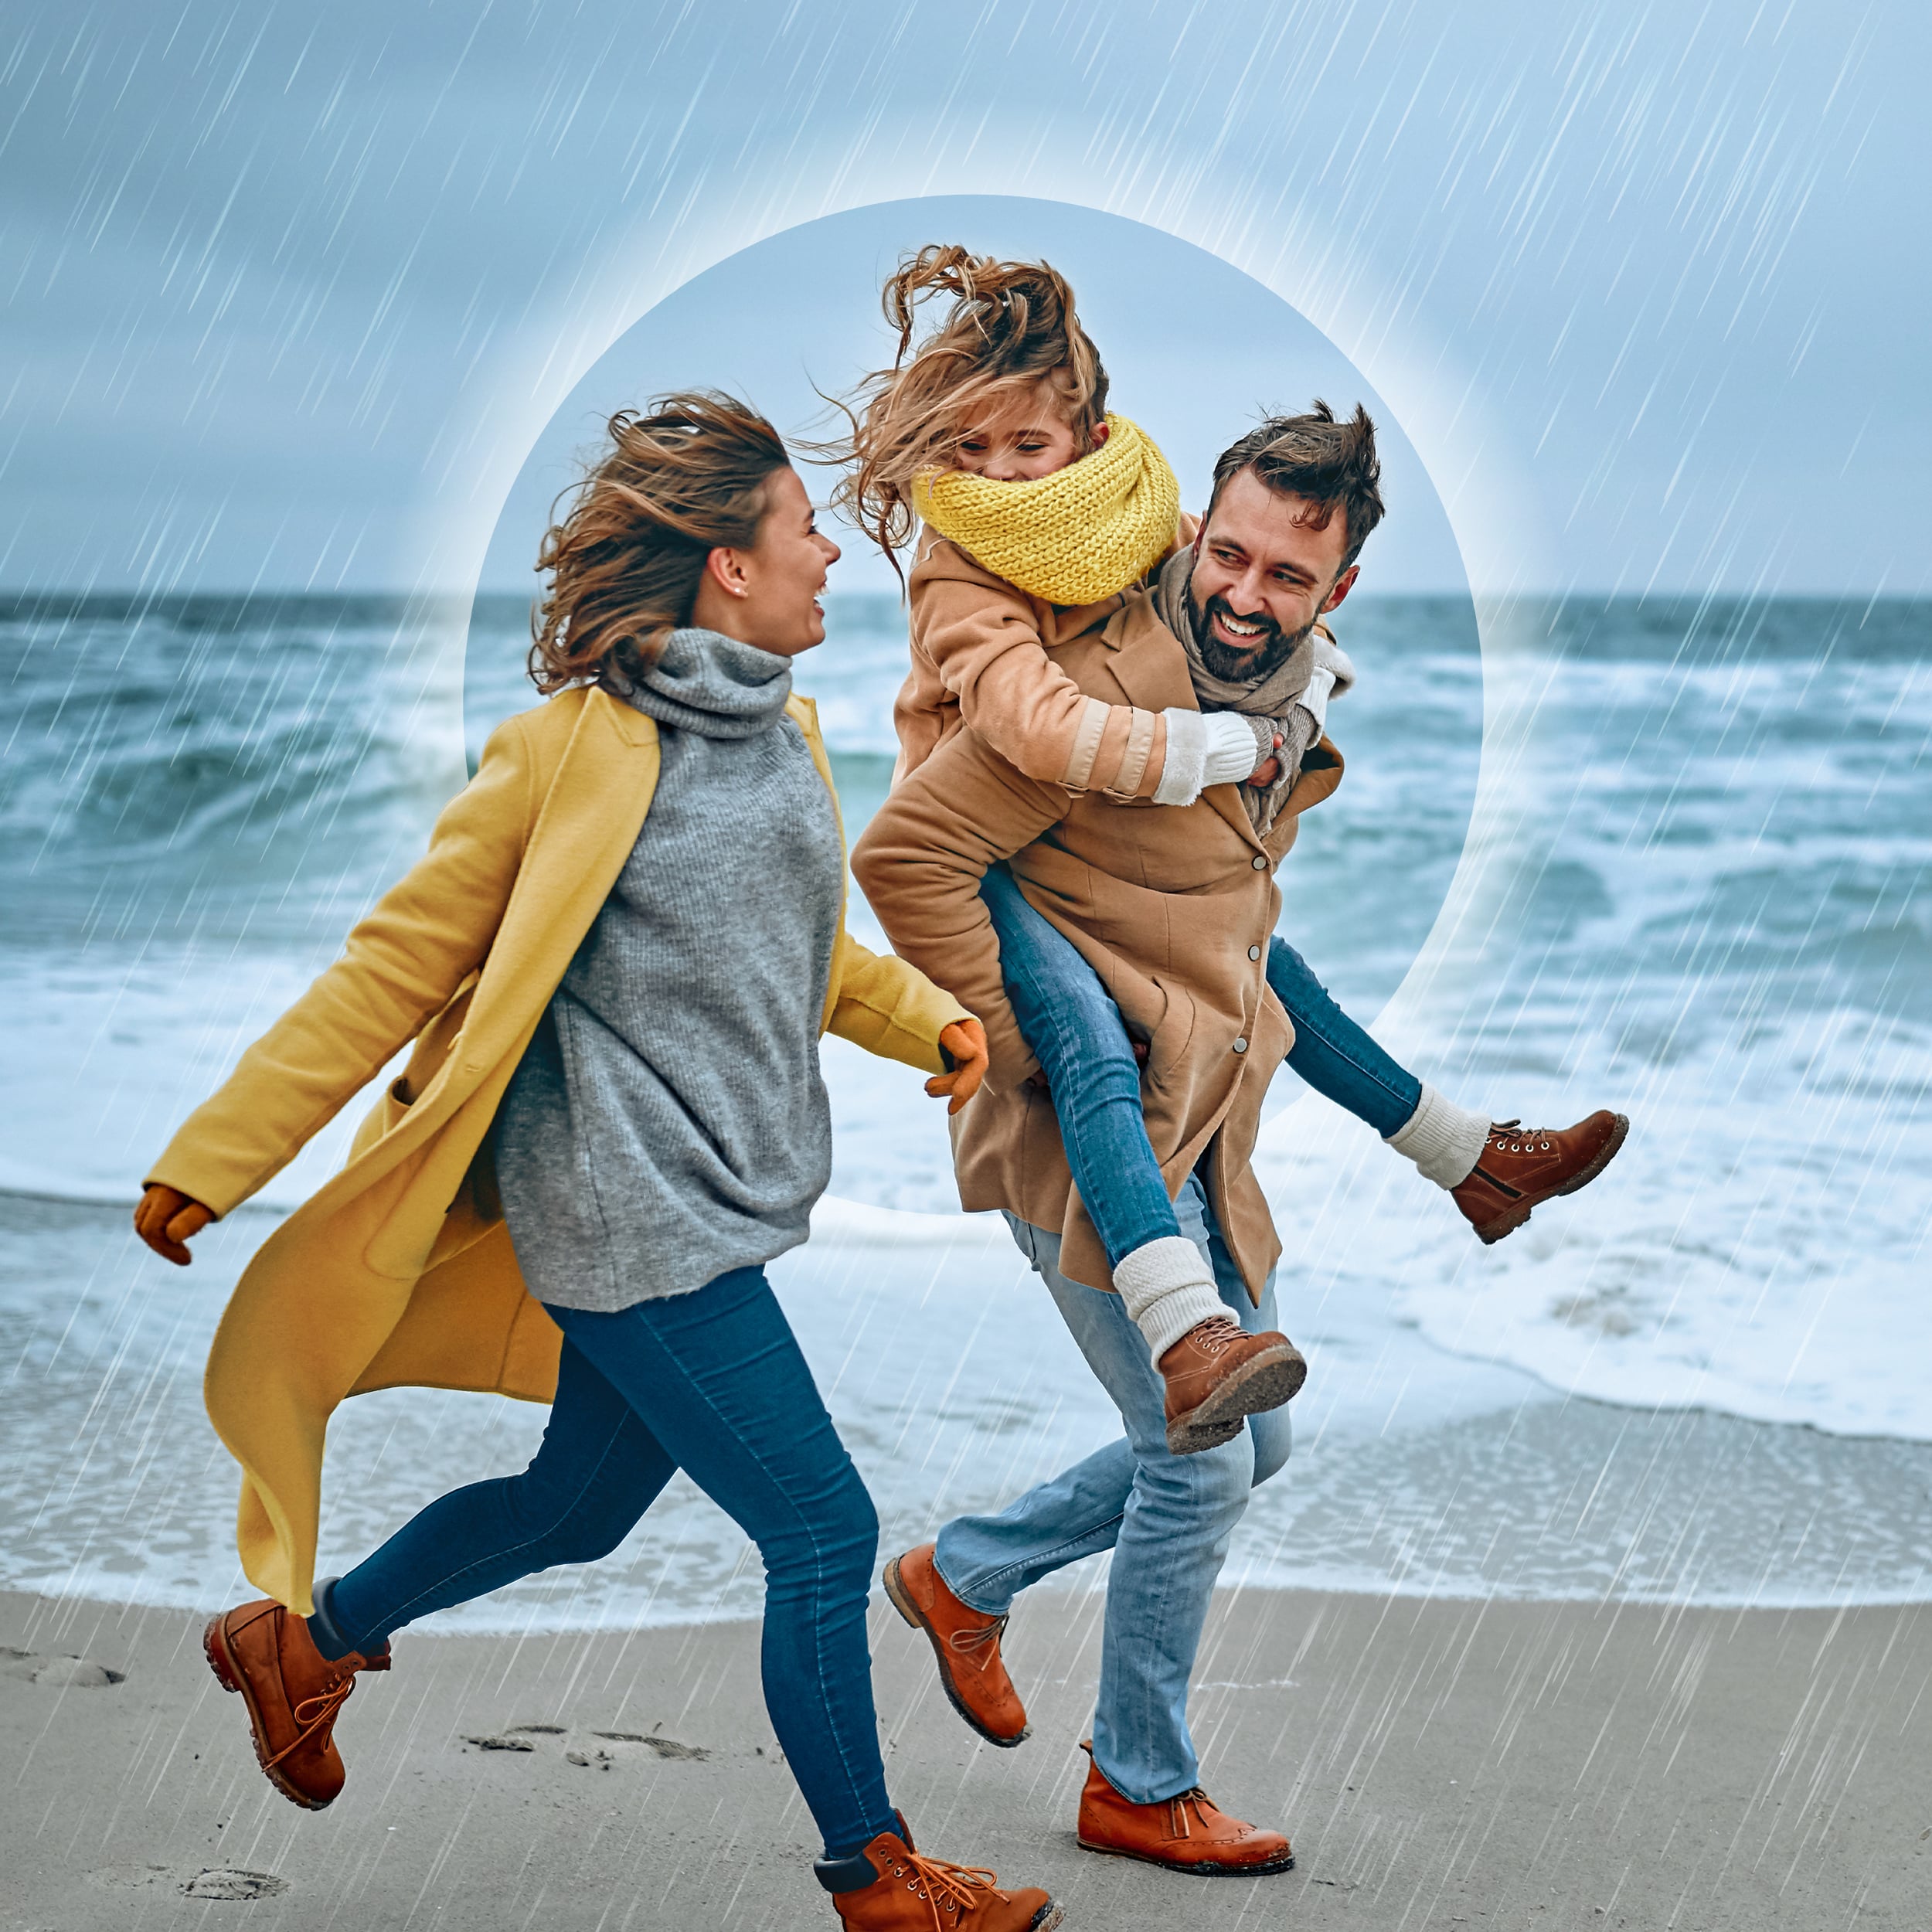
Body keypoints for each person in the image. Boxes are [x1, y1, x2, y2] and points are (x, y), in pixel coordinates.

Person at [132, 393, 1061, 1932]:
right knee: (822, 1528)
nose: (831, 550)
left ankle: (306, 1644)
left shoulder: (782, 732)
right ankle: (875, 1873)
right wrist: (217, 1157)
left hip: (721, 1193)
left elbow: (793, 948)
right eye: (801, 528)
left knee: (575, 1504)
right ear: (723, 564)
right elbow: (391, 968)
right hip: (622, 1209)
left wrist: (926, 1021)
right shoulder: (569, 751)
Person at [849, 394, 1624, 1878]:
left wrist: (1430, 1128)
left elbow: (1238, 938)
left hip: (1195, 1126)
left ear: (1336, 591)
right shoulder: (1098, 693)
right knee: (1197, 1459)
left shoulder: (1278, 706)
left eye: (1287, 575)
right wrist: (1016, 1048)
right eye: (1230, 555)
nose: (1244, 594)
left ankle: (967, 1573)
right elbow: (905, 852)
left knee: (1254, 1444)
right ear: (1194, 531)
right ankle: (1137, 1780)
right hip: (1082, 1141)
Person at [832, 246, 1625, 1448]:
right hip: (996, 850)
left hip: (1097, 836)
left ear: (1090, 441)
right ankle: (1181, 1325)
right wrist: (1225, 749)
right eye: (971, 451)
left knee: (1267, 969)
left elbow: (1225, 602)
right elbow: (1028, 726)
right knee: (1088, 1047)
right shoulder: (962, 562)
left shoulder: (1136, 517)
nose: (997, 475)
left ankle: (1467, 1156)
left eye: (1026, 447)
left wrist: (1299, 695)